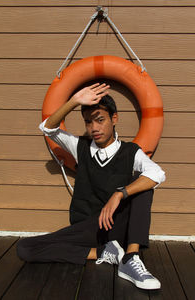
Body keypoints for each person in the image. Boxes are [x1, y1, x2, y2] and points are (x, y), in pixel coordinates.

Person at [16, 83, 165, 290]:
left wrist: (119, 194)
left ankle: (131, 256)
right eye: (88, 122)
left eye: (100, 120)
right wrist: (74, 101)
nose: (94, 128)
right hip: (88, 230)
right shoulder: (80, 147)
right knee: (25, 248)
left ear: (114, 119)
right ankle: (102, 253)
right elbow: (48, 128)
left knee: (144, 183)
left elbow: (158, 173)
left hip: (116, 225)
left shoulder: (130, 151)